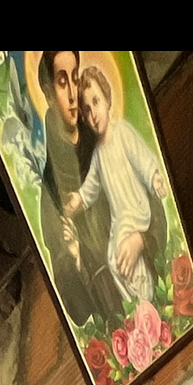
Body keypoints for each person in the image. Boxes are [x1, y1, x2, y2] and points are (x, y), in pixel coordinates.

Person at [66, 64, 170, 313]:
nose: (93, 114)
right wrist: (77, 200)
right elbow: (91, 188)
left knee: (127, 253)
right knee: (114, 260)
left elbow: (142, 157)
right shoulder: (97, 156)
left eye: (96, 102)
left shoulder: (122, 132)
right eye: (87, 109)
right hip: (120, 219)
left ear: (108, 99)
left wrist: (154, 177)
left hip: (137, 211)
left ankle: (148, 298)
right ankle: (137, 307)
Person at [34, 48, 119, 333]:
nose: (73, 95)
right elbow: (77, 311)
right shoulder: (51, 191)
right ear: (48, 93)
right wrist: (74, 257)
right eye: (62, 83)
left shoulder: (103, 139)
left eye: (74, 78)